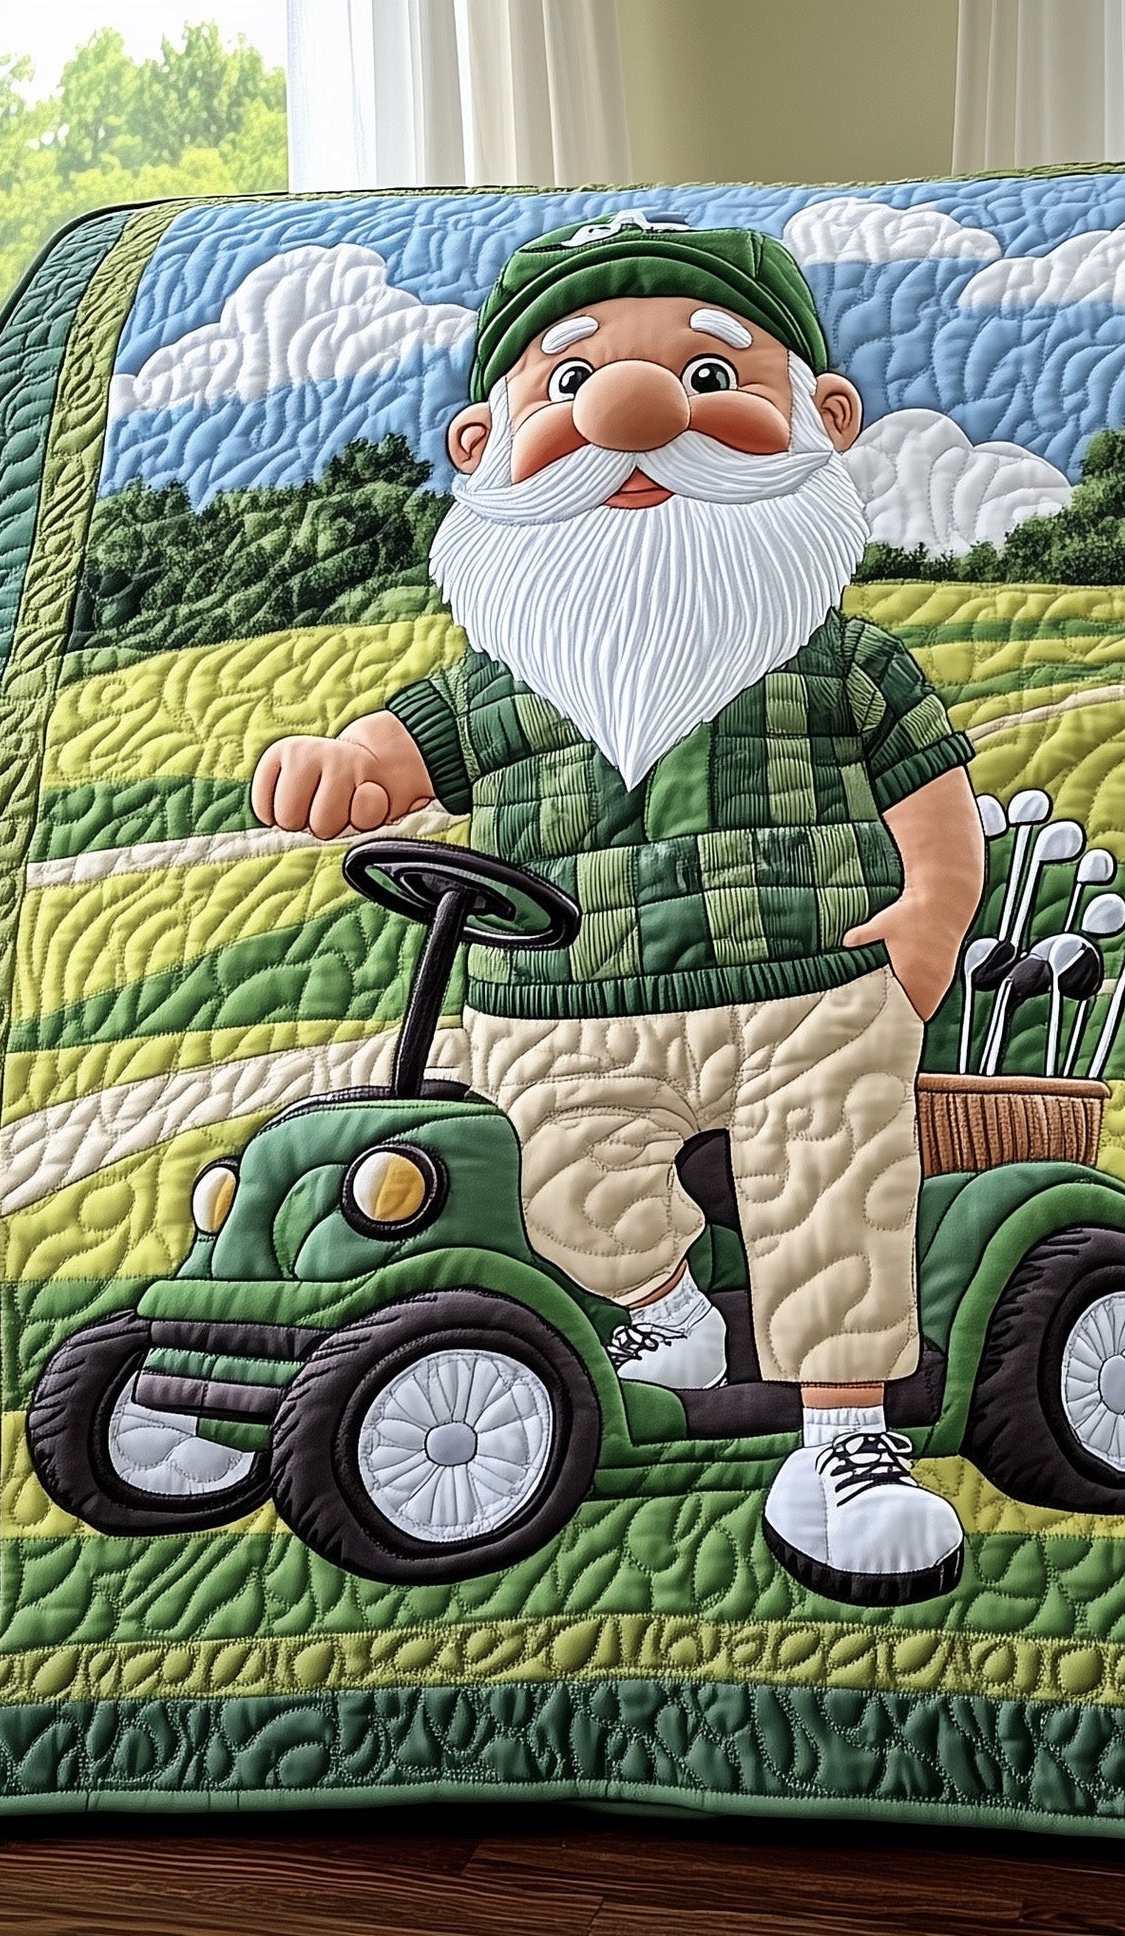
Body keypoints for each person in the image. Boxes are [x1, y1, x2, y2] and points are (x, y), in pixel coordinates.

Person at [251, 212, 985, 1606]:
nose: (635, 415)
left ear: (823, 422)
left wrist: (929, 915)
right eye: (572, 384)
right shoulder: (498, 675)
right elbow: (394, 758)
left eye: (711, 379)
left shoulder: (839, 659)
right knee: (547, 1178)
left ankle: (845, 1436)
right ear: (484, 448)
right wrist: (343, 767)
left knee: (831, 1171)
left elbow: (929, 796)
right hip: (556, 1007)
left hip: (805, 985)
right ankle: (662, 1309)